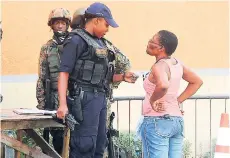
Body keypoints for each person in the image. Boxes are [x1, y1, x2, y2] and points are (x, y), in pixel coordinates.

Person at [57, 2, 137, 158]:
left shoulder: (101, 43)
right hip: (83, 98)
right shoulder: (75, 40)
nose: (107, 29)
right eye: (106, 25)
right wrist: (62, 104)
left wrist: (122, 77)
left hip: (100, 97)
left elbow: (103, 77)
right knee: (84, 146)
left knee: (100, 145)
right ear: (96, 20)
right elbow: (63, 73)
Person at [140, 30, 203, 158]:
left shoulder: (159, 66)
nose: (148, 43)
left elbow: (163, 85)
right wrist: (178, 101)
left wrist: (152, 101)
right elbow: (197, 81)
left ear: (161, 48)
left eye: (152, 41)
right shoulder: (177, 63)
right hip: (176, 121)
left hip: (157, 121)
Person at [36, 8, 71, 154]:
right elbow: (42, 78)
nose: (60, 26)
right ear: (52, 25)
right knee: (57, 138)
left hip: (73, 96)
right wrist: (42, 104)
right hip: (54, 97)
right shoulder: (47, 48)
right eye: (57, 23)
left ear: (67, 24)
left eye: (63, 23)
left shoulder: (75, 44)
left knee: (76, 138)